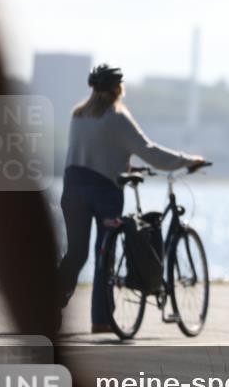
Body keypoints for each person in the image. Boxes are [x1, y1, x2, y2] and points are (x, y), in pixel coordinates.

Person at [58, 64, 206, 333]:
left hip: (73, 190)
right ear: (118, 89)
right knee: (105, 255)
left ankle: (49, 303)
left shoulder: (78, 115)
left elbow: (94, 152)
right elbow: (149, 151)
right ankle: (101, 320)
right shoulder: (117, 117)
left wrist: (126, 168)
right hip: (104, 192)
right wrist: (188, 160)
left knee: (77, 253)